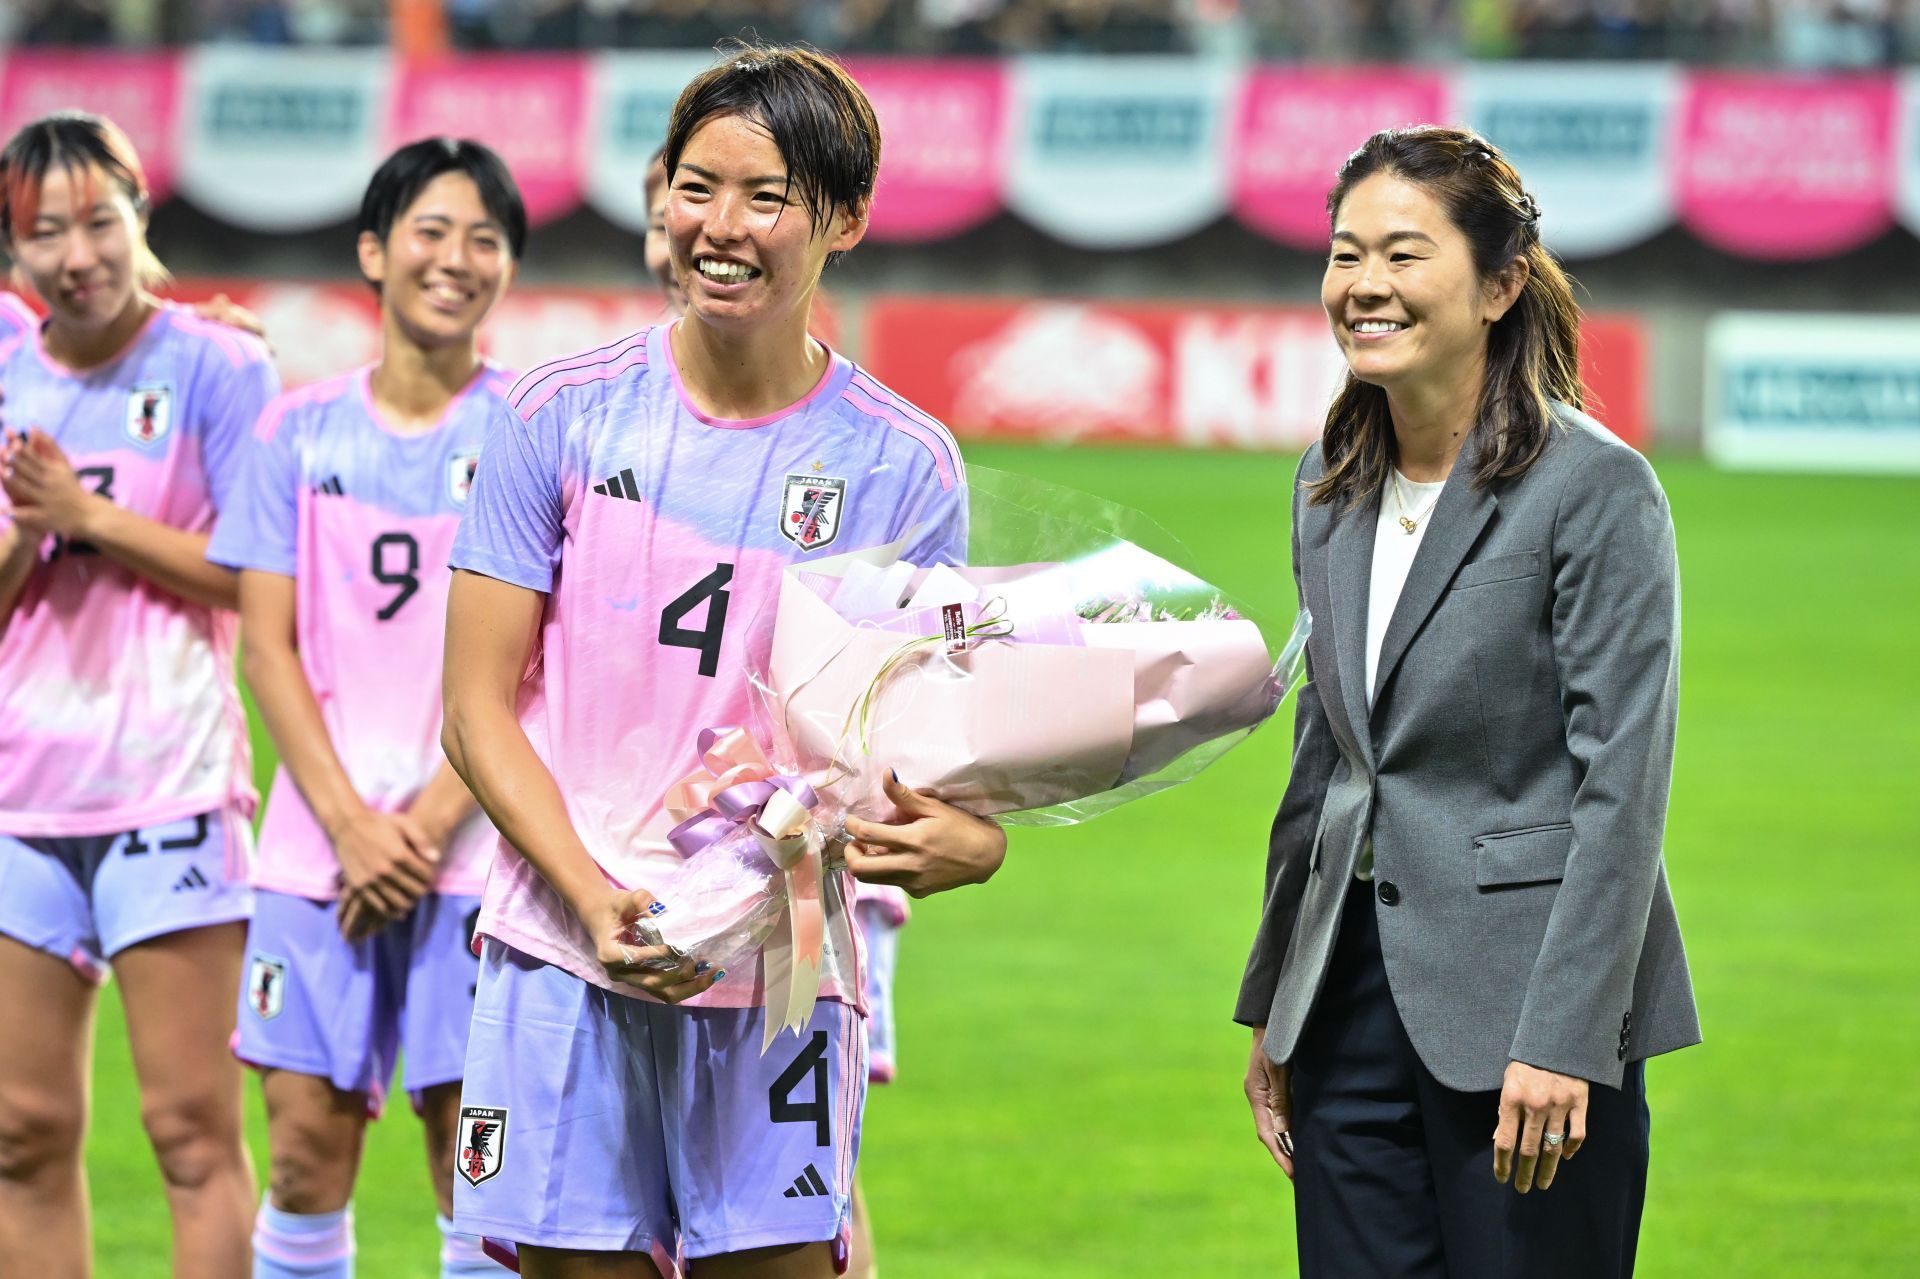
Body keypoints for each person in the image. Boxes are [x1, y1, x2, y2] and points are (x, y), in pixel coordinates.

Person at [441, 43, 1006, 1279]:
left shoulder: (904, 464)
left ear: (845, 218)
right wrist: (594, 901)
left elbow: (910, 739)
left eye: (767, 196)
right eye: (698, 187)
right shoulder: (559, 414)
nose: (722, 227)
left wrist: (973, 835)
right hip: (561, 940)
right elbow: (475, 713)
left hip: (778, 972)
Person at [1237, 126, 1700, 1279]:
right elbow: (1329, 764)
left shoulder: (1596, 489)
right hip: (1345, 1007)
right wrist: (1275, 1003)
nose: (1364, 286)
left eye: (1402, 253)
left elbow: (1621, 790)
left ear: (1499, 285)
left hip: (1526, 1017)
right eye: (1346, 255)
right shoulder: (1327, 484)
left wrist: (1566, 1037)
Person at [206, 137, 525, 1279]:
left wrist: (429, 824)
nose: (457, 259)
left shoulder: (529, 436)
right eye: (432, 232)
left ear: (508, 271)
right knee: (301, 1151)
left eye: (485, 240)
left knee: (472, 1158)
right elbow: (268, 644)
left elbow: (526, 668)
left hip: (480, 848)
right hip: (315, 848)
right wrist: (348, 822)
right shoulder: (295, 431)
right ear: (374, 251)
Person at [0, 110, 280, 1278]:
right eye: (44, 233)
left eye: (99, 222)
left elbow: (257, 585)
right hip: (18, 801)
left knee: (189, 1133)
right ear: (14, 255)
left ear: (139, 216)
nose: (78, 255)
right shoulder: (6, 374)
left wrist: (94, 518)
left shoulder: (221, 365)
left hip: (167, 783)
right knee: (20, 1136)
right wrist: (28, 526)